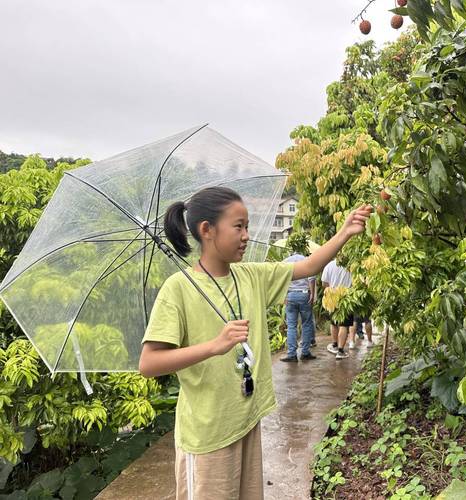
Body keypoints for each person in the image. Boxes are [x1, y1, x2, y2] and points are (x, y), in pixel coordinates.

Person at [138, 186, 371, 500]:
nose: (247, 235)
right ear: (207, 230)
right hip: (208, 434)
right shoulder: (177, 288)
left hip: (245, 420)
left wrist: (345, 231)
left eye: (247, 226)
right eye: (238, 227)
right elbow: (149, 364)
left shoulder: (250, 276)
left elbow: (309, 266)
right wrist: (214, 345)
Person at [280, 239, 317, 362]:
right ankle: (305, 352)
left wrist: (284, 296)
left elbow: (281, 280)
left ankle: (291, 354)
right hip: (304, 295)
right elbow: (311, 278)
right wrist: (312, 294)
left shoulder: (285, 262)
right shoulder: (306, 260)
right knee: (306, 324)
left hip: (290, 295)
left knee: (291, 326)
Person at [321, 259, 353, 360]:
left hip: (332, 297)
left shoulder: (329, 265)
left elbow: (324, 284)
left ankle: (334, 345)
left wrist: (332, 288)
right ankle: (340, 351)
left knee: (334, 322)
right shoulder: (350, 265)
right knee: (343, 325)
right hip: (347, 297)